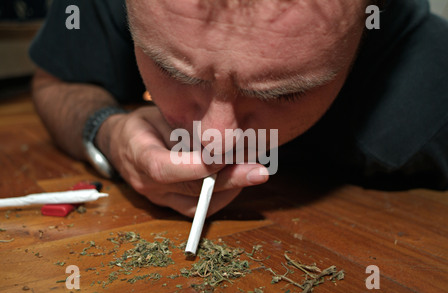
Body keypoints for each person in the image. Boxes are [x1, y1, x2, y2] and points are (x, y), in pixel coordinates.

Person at [30, 0, 448, 217]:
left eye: (282, 93)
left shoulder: (429, 96)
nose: (217, 139)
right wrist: (108, 132)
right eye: (170, 68)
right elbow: (56, 80)